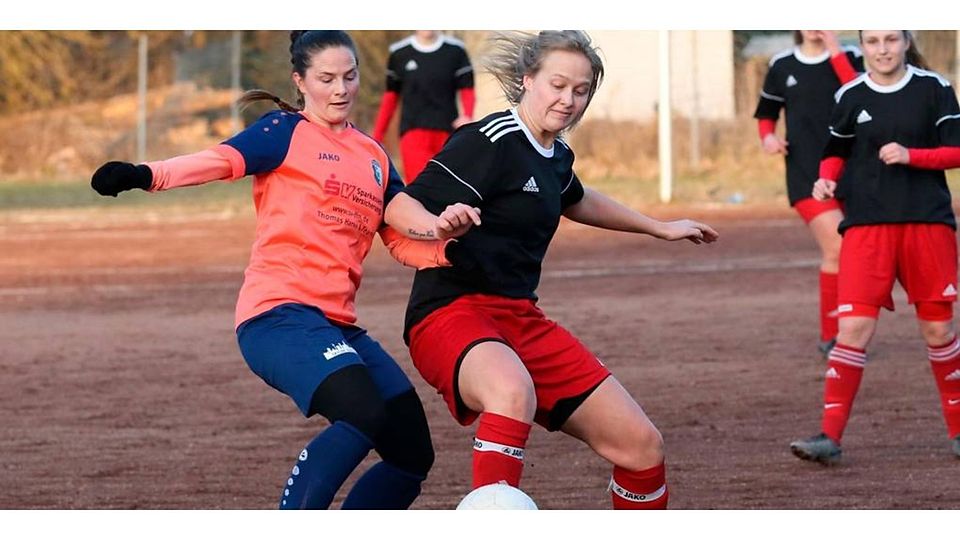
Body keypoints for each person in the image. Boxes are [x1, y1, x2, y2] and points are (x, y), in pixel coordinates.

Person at [89, 30, 473, 509]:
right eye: (327, 78)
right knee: (362, 413)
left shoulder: (373, 155)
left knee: (410, 450)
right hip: (277, 316)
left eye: (350, 77)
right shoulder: (285, 132)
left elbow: (401, 228)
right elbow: (219, 161)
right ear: (300, 81)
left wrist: (444, 238)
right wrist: (145, 174)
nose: (341, 89)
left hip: (338, 327)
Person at [384, 30, 719, 509]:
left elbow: (575, 198)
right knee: (511, 390)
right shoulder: (490, 140)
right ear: (527, 80)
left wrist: (657, 227)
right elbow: (400, 205)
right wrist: (438, 226)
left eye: (580, 91)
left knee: (642, 447)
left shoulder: (556, 155)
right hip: (449, 313)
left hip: (520, 320)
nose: (568, 100)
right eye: (557, 85)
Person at [790, 30, 960, 464]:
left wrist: (911, 155)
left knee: (938, 330)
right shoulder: (849, 93)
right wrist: (827, 177)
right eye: (872, 41)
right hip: (866, 228)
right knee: (852, 331)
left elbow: (955, 151)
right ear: (861, 46)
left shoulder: (933, 88)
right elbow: (835, 151)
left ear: (906, 41)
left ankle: (958, 432)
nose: (882, 49)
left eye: (890, 39)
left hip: (927, 225)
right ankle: (829, 437)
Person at [754, 30, 863, 357]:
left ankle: (850, 333)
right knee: (837, 245)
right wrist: (768, 138)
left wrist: (834, 48)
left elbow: (857, 95)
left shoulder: (852, 57)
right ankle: (834, 336)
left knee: (854, 252)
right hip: (805, 174)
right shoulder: (782, 64)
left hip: (853, 172)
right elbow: (766, 113)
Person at [371, 30, 476, 183]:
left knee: (447, 187)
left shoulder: (456, 51)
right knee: (419, 188)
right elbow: (390, 98)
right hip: (413, 134)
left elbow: (467, 89)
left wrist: (467, 115)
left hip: (448, 134)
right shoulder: (399, 53)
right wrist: (377, 137)